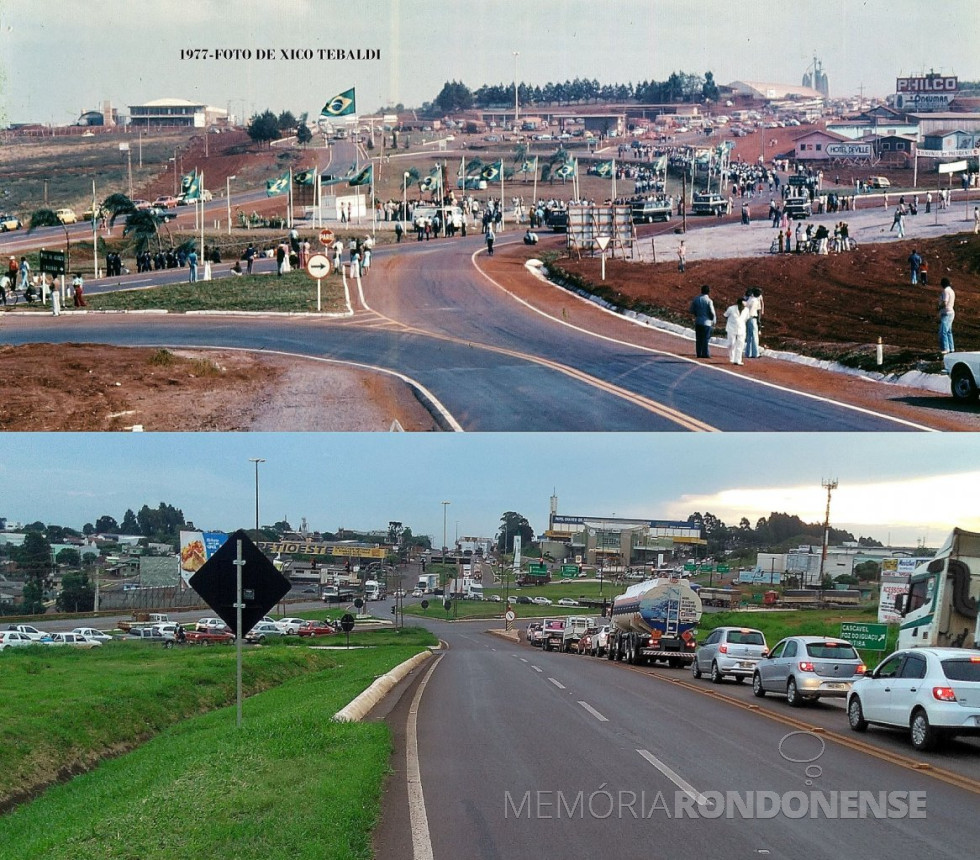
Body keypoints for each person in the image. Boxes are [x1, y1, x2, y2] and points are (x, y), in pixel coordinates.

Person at [689, 284, 716, 358]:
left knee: (699, 338)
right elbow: (712, 312)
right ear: (708, 292)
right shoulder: (709, 301)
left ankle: (698, 353)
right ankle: (705, 353)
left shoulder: (696, 299)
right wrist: (712, 319)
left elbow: (691, 310)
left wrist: (697, 314)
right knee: (705, 338)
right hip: (706, 322)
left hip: (698, 321)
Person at [724, 297, 749, 365]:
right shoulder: (731, 309)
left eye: (744, 306)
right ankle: (732, 358)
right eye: (742, 306)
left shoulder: (746, 310)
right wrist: (730, 322)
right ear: (738, 304)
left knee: (740, 344)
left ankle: (738, 360)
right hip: (731, 328)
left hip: (741, 329)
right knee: (731, 344)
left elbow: (746, 319)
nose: (743, 307)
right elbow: (725, 315)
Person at [744, 287, 764, 358]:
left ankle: (748, 352)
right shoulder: (755, 300)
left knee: (749, 336)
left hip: (748, 318)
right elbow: (759, 311)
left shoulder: (750, 299)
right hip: (752, 318)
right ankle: (755, 353)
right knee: (755, 336)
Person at [939, 277, 956, 355]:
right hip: (951, 312)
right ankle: (951, 348)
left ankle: (945, 349)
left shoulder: (945, 291)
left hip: (946, 313)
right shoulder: (952, 291)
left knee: (943, 332)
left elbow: (945, 303)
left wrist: (939, 307)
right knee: (949, 332)